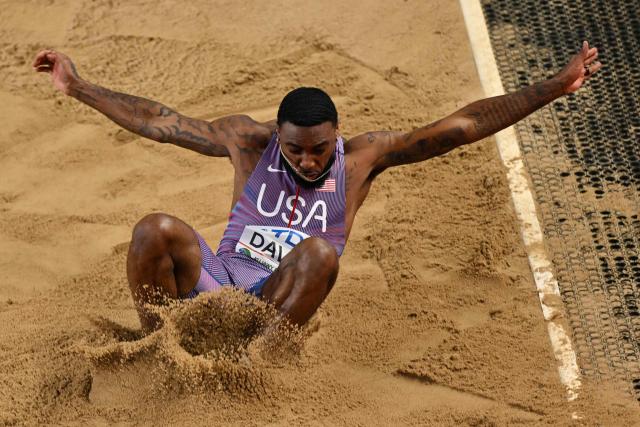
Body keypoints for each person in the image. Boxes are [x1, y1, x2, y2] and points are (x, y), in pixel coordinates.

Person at [33, 42, 601, 332]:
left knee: (321, 253)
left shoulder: (360, 161)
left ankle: (253, 375)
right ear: (276, 136)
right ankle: (159, 343)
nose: (307, 160)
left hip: (276, 306)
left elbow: (460, 127)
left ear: (337, 136)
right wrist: (77, 85)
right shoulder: (248, 142)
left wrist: (550, 88)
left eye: (318, 149)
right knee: (153, 228)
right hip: (220, 283)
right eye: (295, 148)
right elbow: (159, 119)